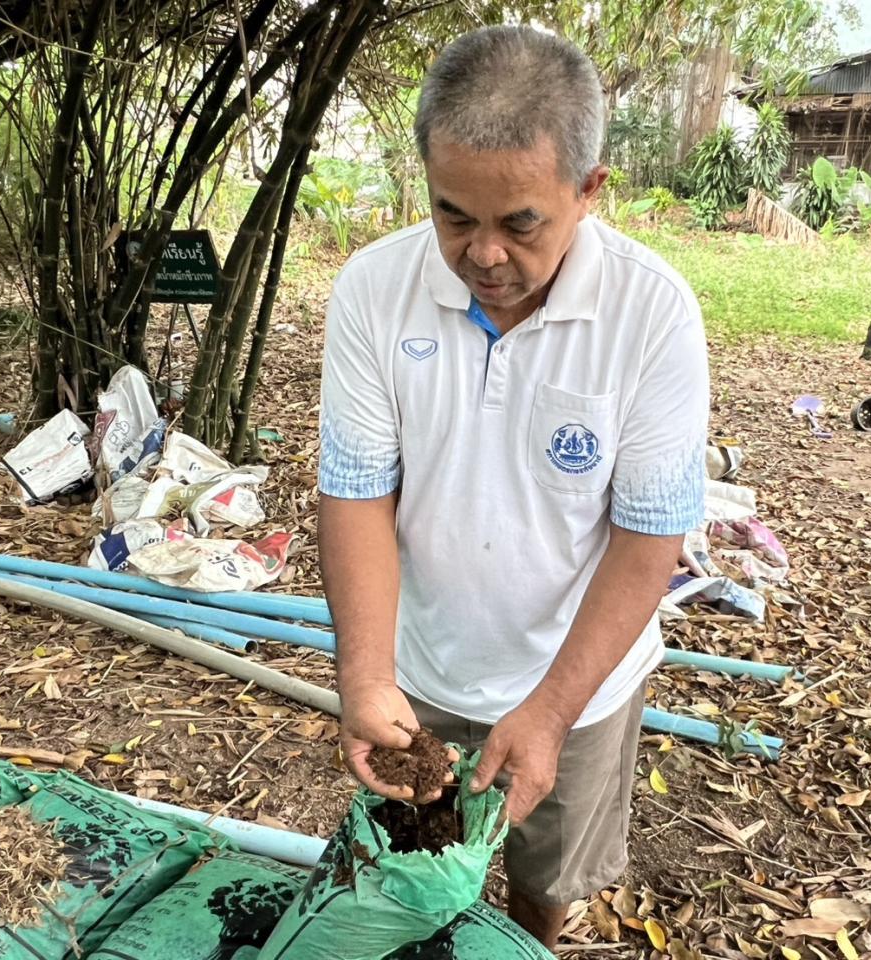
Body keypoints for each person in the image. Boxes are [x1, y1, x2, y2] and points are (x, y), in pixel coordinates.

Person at [315, 25, 708, 949]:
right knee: (408, 871)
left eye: (519, 223)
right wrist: (366, 672)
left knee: (546, 878)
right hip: (422, 668)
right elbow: (358, 493)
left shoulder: (651, 314)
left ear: (588, 190)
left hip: (580, 679)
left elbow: (648, 541)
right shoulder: (374, 291)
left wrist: (551, 710)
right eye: (455, 216)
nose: (483, 255)